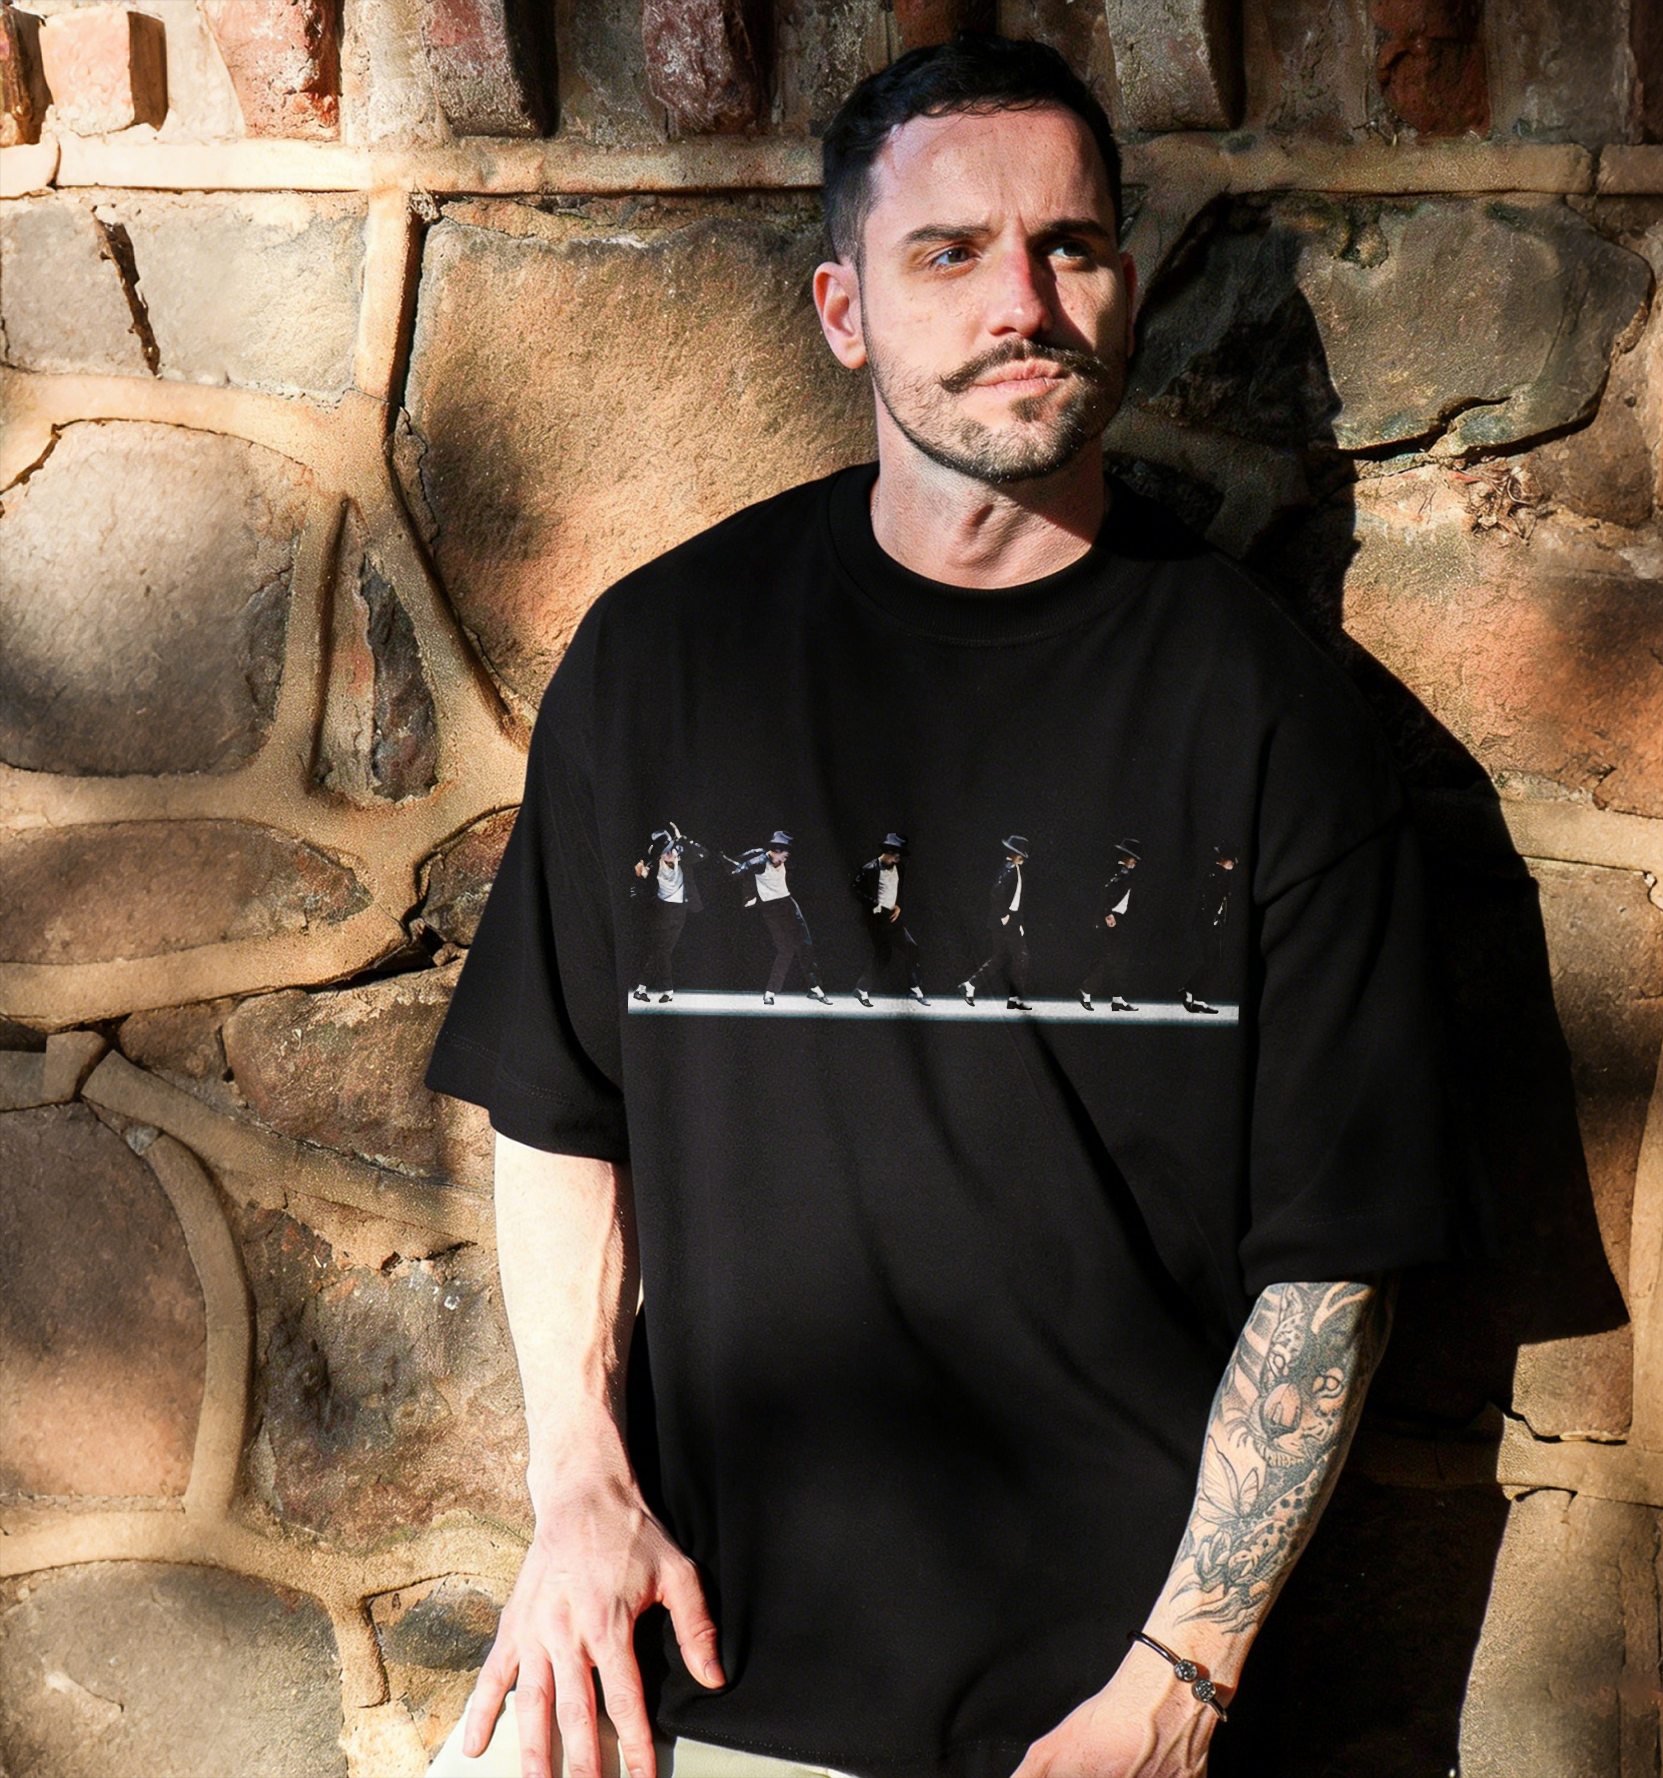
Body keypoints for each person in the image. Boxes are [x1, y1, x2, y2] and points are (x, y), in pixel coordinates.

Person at [424, 31, 1461, 1778]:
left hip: (1091, 1717)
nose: (1021, 304)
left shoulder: (1265, 713)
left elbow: (1336, 1258)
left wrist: (1178, 1682)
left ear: (1124, 288)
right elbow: (559, 1109)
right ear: (844, 310)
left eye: (1070, 247)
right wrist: (578, 1485)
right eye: (949, 252)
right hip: (687, 1678)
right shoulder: (665, 660)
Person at [725, 832, 830, 1005]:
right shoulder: (759, 862)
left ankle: (814, 987)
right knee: (786, 950)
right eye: (784, 853)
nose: (786, 857)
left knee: (805, 945)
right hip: (771, 909)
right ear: (776, 851)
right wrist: (750, 895)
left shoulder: (780, 860)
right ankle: (770, 992)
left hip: (788, 904)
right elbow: (736, 872)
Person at [631, 825, 708, 1003]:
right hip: (662, 909)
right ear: (659, 855)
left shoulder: (684, 860)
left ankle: (642, 988)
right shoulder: (652, 867)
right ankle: (666, 990)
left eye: (671, 849)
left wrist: (681, 839)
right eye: (665, 852)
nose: (670, 854)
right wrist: (639, 877)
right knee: (663, 951)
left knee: (663, 951)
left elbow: (704, 853)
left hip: (680, 909)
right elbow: (637, 889)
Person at [851, 833, 929, 1006]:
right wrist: (873, 904)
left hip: (891, 916)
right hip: (876, 918)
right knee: (884, 954)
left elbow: (899, 889)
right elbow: (854, 889)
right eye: (895, 856)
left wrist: (898, 905)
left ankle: (914, 988)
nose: (897, 860)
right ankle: (862, 989)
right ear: (888, 852)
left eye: (899, 857)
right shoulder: (870, 868)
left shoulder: (899, 867)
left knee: (910, 948)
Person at [959, 834, 1033, 1009]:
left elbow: (1017, 900)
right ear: (1014, 853)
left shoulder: (1014, 869)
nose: (1021, 858)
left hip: (1011, 920)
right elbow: (996, 893)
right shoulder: (1008, 869)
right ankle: (1015, 997)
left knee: (1000, 957)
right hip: (1005, 921)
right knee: (1021, 957)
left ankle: (970, 985)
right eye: (1019, 854)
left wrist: (1018, 922)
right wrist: (1004, 916)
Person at [1080, 839, 1140, 1011]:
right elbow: (1103, 894)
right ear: (1126, 856)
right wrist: (1107, 913)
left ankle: (1117, 998)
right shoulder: (1117, 871)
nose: (1136, 862)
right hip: (1109, 919)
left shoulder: (1125, 872)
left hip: (1118, 919)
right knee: (1111, 958)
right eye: (1134, 858)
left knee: (1120, 959)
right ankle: (1085, 991)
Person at [1181, 847, 1236, 1017]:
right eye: (1231, 859)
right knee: (1214, 960)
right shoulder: (1214, 873)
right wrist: (1211, 920)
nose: (1234, 864)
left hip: (1213, 923)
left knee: (1214, 961)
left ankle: (1196, 997)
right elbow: (1208, 900)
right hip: (1207, 923)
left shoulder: (1220, 874)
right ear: (1223, 858)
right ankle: (1189, 990)